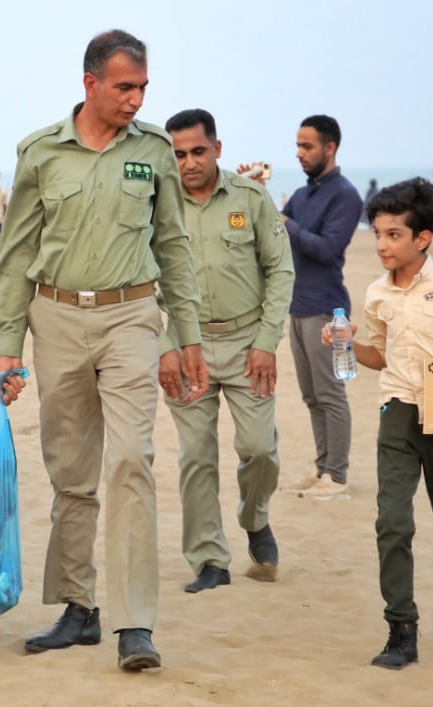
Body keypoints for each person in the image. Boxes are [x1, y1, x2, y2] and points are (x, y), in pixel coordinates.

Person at [0, 29, 209, 671]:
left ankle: (135, 623)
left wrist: (187, 336)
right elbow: (17, 254)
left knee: (132, 460)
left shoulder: (154, 152)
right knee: (71, 471)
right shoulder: (40, 153)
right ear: (90, 84)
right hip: (55, 318)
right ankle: (77, 608)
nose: (136, 99)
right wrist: (8, 344)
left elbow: (173, 246)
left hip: (131, 317)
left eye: (142, 87)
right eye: (124, 87)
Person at [322, 177, 433, 669]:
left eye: (393, 235)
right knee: (392, 522)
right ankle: (401, 630)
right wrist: (345, 342)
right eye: (377, 233)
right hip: (397, 413)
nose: (381, 244)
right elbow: (380, 356)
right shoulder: (377, 293)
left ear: (423, 238)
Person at [162, 109, 294, 591]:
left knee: (259, 448)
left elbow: (280, 270)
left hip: (247, 344)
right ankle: (210, 561)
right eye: (178, 154)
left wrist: (266, 343)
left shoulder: (251, 198)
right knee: (196, 455)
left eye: (198, 151)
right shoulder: (156, 205)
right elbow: (141, 279)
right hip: (186, 344)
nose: (189, 162)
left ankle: (255, 518)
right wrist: (166, 346)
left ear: (217, 149)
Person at [281, 115, 363, 497]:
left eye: (307, 146)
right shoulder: (302, 195)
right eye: (297, 145)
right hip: (297, 307)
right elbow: (277, 234)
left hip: (328, 310)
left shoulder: (346, 195)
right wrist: (256, 195)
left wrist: (286, 224)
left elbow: (327, 248)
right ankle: (321, 471)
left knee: (331, 394)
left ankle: (337, 476)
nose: (299, 153)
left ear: (330, 148)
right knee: (311, 396)